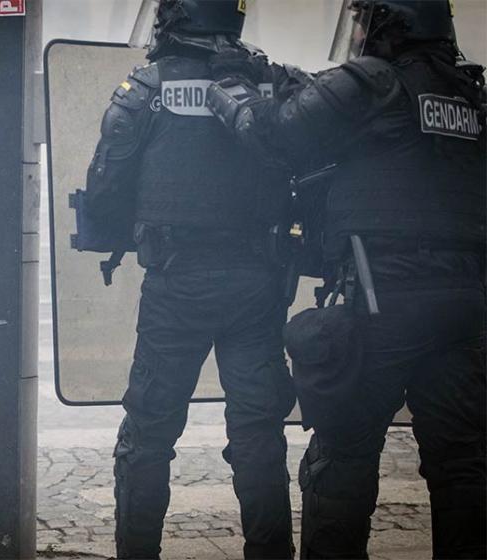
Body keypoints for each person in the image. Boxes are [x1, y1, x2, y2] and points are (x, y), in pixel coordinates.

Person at [203, 1, 486, 557]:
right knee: (464, 467)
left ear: (388, 21)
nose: (357, 31)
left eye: (362, 18)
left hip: (382, 299)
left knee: (341, 464)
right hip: (463, 304)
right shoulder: (469, 94)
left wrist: (231, 93)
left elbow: (278, 136)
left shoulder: (373, 81)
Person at [84, 1, 312, 558]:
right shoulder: (264, 85)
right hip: (257, 283)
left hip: (176, 285)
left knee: (148, 437)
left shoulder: (144, 88)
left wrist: (128, 232)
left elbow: (105, 188)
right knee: (258, 433)